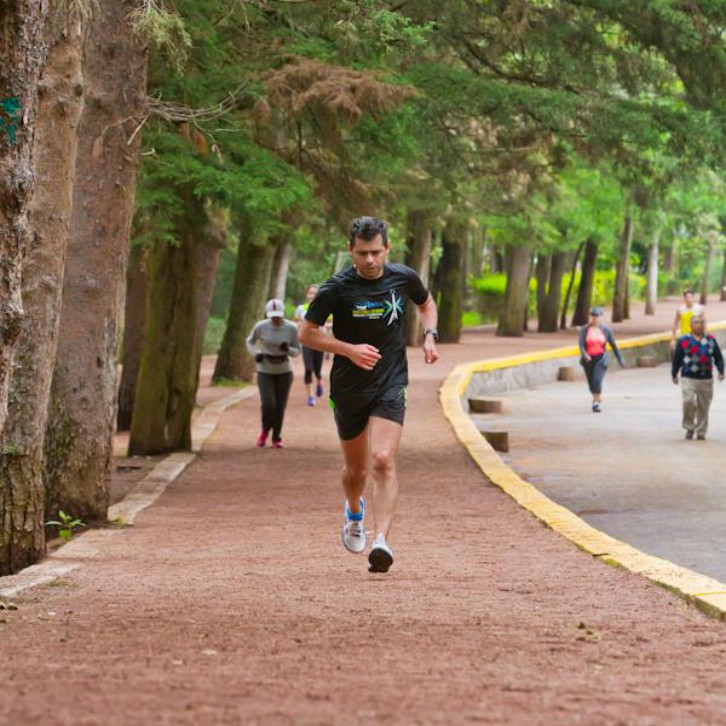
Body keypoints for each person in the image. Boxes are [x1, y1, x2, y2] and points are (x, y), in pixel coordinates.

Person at [299, 216, 439, 573]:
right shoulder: (336, 288)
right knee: (356, 470)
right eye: (363, 253)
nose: (370, 260)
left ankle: (382, 541)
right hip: (348, 387)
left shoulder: (403, 277)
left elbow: (426, 304)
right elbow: (307, 334)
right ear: (351, 250)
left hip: (390, 382)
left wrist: (430, 335)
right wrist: (348, 349)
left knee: (382, 459)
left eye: (376, 252)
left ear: (387, 248)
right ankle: (354, 511)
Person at [246, 298, 301, 448]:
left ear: (282, 313)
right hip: (265, 369)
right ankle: (264, 431)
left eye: (278, 315)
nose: (275, 318)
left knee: (280, 405)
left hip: (284, 370)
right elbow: (250, 341)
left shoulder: (292, 328)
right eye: (272, 315)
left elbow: (298, 351)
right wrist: (255, 353)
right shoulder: (261, 326)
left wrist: (287, 350)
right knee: (268, 403)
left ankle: (276, 436)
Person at [672, 313, 724, 440]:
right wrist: (674, 374)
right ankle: (689, 427)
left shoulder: (710, 340)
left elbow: (718, 357)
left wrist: (721, 371)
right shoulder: (684, 340)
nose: (698, 325)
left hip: (706, 378)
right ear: (690, 325)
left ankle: (701, 431)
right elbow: (677, 358)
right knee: (688, 401)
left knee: (703, 406)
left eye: (700, 323)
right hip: (688, 377)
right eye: (695, 322)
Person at [578, 307, 624, 413]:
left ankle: (596, 403)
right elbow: (581, 344)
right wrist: (585, 355)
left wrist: (620, 358)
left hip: (601, 358)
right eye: (593, 316)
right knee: (591, 384)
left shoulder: (606, 330)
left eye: (597, 316)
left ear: (600, 317)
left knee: (597, 380)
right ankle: (596, 396)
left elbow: (613, 345)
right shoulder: (585, 329)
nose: (595, 318)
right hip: (588, 359)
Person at [295, 284, 326, 406]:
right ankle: (310, 396)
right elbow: (296, 321)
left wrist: (320, 327)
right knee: (308, 369)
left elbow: (331, 324)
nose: (312, 295)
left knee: (317, 370)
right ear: (306, 295)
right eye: (310, 293)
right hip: (306, 342)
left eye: (314, 293)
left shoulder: (324, 308)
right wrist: (301, 326)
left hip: (320, 342)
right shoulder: (301, 309)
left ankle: (319, 380)